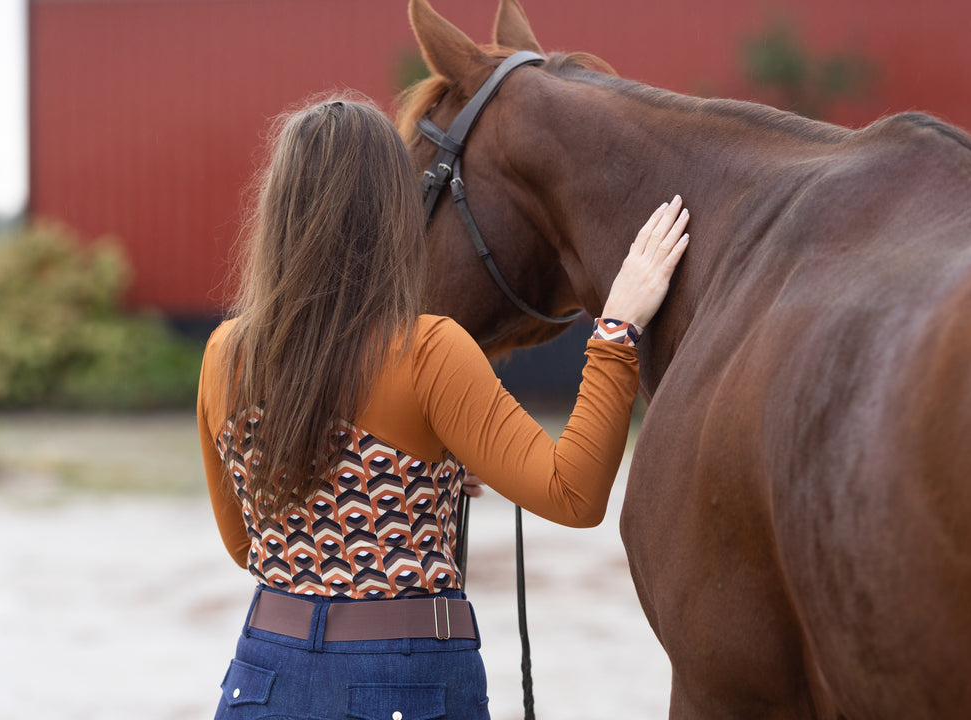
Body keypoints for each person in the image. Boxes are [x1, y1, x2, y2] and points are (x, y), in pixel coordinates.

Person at [196, 96, 690, 720]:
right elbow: (575, 492)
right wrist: (617, 328)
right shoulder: (428, 348)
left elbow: (250, 545)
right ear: (390, 212)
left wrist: (414, 486)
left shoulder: (222, 356)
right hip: (403, 682)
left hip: (264, 673)